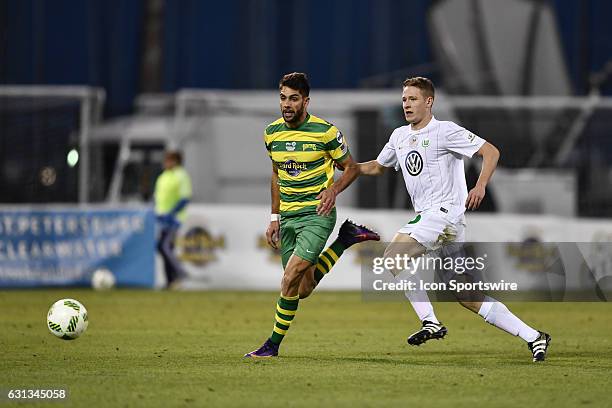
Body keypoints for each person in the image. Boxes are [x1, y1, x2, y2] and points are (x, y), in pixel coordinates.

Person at [357, 77, 551, 362]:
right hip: (443, 224)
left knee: (393, 257)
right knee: (468, 296)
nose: (406, 104)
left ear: (429, 101)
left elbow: (490, 152)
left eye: (412, 99)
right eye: (404, 99)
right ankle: (535, 336)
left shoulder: (445, 131)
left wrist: (481, 185)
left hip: (443, 215)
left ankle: (430, 321)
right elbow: (376, 166)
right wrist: (341, 163)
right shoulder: (399, 136)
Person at [244, 73, 380, 358]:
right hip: (289, 218)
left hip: (318, 214)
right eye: (283, 98)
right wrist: (273, 217)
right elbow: (276, 175)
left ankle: (272, 345)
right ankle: (345, 239)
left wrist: (333, 191)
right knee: (302, 288)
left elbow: (351, 167)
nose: (287, 104)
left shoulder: (326, 132)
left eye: (293, 98)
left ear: (305, 101)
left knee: (288, 278)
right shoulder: (271, 133)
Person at [154, 150, 192, 289]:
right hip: (162, 218)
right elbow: (159, 198)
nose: (165, 163)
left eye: (168, 160)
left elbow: (185, 198)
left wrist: (171, 213)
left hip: (174, 219)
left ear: (175, 161)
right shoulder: (163, 176)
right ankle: (170, 281)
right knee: (164, 247)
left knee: (164, 246)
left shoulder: (181, 175)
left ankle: (180, 274)